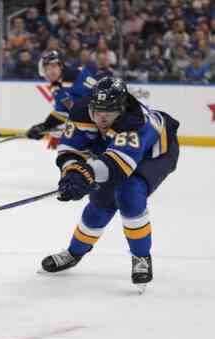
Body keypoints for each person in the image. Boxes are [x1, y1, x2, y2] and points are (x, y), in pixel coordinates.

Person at [40, 77, 180, 293]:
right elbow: (69, 151)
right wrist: (71, 174)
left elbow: (117, 167)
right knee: (100, 201)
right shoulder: (81, 111)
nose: (102, 118)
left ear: (122, 109)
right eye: (98, 111)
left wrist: (85, 175)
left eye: (110, 112)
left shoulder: (135, 122)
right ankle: (74, 252)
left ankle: (141, 256)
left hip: (156, 153)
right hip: (115, 151)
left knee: (129, 192)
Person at [26, 50, 96, 148]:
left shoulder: (73, 76)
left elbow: (83, 108)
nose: (50, 72)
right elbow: (63, 112)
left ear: (61, 66)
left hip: (102, 123)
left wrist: (69, 126)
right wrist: (44, 126)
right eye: (46, 69)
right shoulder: (57, 86)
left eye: (53, 67)